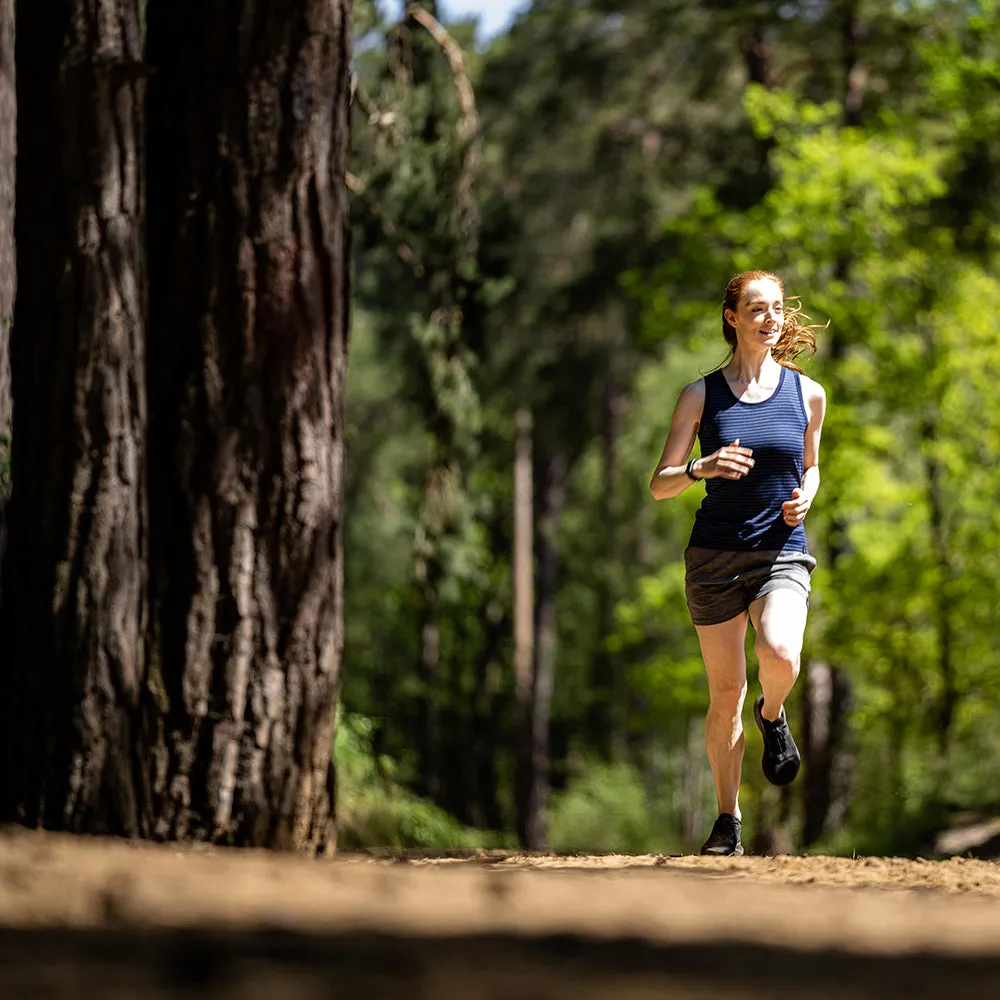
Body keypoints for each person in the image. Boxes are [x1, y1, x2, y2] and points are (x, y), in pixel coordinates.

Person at [649, 269, 827, 857]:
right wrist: (701, 468)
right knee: (724, 694)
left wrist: (809, 492)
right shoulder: (701, 395)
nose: (770, 317)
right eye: (757, 308)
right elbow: (660, 484)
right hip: (713, 557)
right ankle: (728, 819)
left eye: (777, 307)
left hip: (782, 550)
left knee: (780, 652)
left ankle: (772, 714)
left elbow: (811, 464)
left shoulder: (807, 393)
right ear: (733, 317)